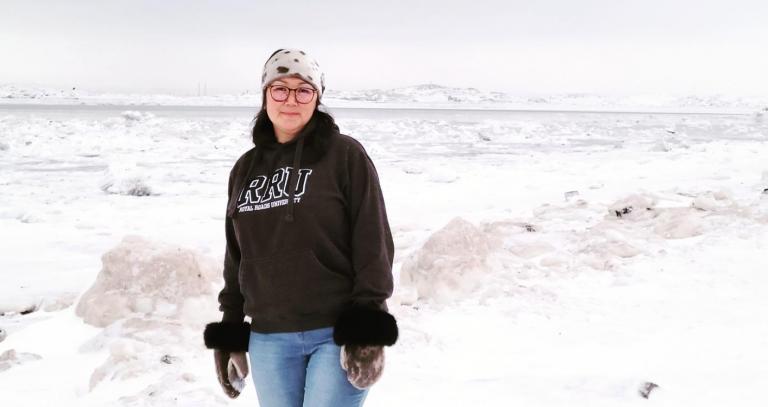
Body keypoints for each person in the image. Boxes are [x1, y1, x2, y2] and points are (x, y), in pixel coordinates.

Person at [203, 48, 398, 407]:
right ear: (265, 95)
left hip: (337, 332)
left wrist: (367, 324)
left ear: (316, 98)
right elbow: (237, 255)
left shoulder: (345, 156)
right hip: (269, 337)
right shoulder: (244, 169)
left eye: (303, 90)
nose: (291, 99)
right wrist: (231, 328)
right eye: (280, 88)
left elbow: (374, 241)